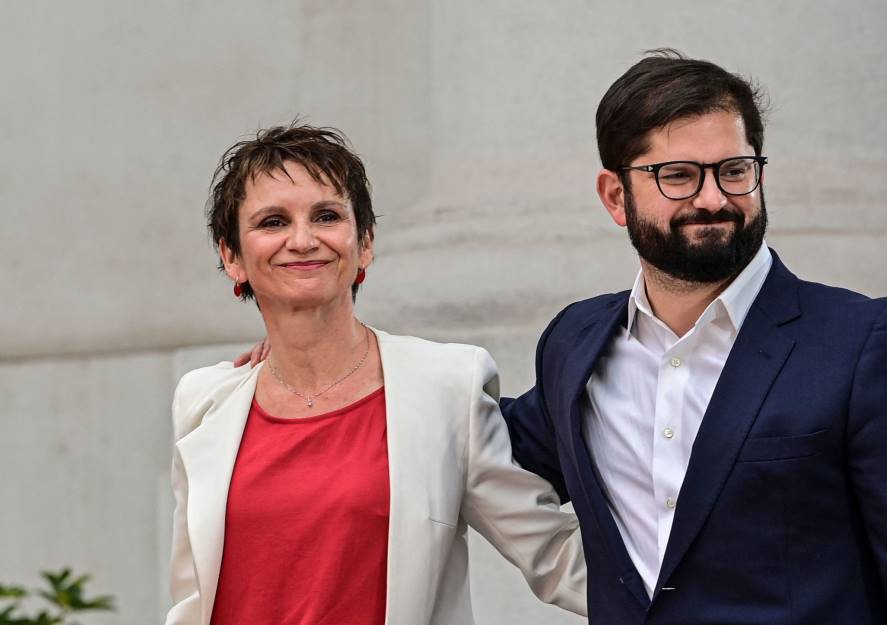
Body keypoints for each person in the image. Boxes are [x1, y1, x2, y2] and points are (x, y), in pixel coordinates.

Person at [498, 51, 887, 624]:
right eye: (679, 175)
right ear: (616, 196)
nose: (713, 198)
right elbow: (481, 446)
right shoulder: (575, 345)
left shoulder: (863, 343)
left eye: (734, 170)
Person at [166, 124, 586, 625]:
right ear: (231, 256)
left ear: (364, 243)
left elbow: (554, 555)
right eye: (273, 221)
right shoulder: (205, 400)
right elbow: (192, 599)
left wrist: (694, 594)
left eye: (326, 216)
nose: (302, 240)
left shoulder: (447, 386)